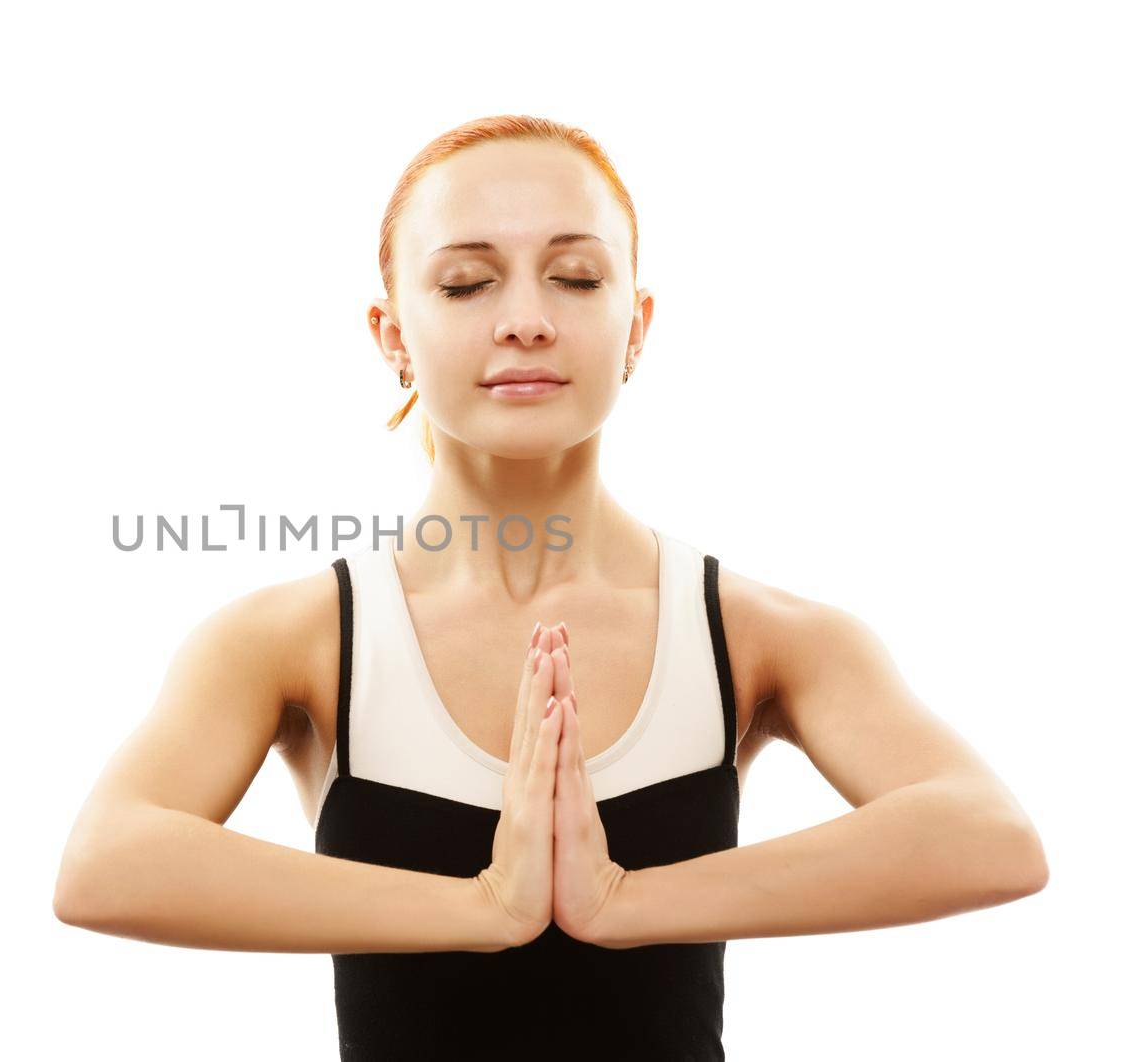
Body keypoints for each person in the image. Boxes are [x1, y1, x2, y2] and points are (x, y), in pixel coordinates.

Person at [51, 114, 1049, 1058]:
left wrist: (620, 902)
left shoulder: (759, 634)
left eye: (574, 277)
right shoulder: (289, 639)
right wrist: (487, 908)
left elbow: (990, 839)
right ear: (390, 330)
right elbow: (105, 864)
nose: (526, 321)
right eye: (464, 284)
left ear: (637, 324)